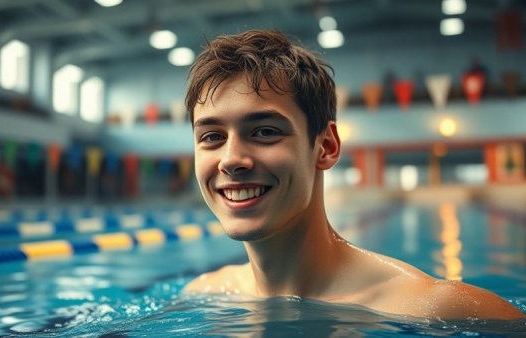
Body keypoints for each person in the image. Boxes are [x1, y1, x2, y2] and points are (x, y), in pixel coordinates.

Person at [182, 29, 524, 320]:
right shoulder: (204, 295)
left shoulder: (435, 309)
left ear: (326, 147)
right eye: (212, 137)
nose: (231, 160)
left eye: (265, 132)